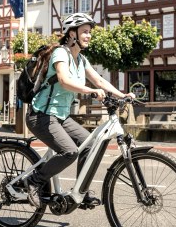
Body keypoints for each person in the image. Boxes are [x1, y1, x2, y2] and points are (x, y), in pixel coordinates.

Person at [24, 13, 135, 208]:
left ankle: (79, 192)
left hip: (60, 117)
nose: (89, 35)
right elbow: (64, 80)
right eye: (84, 31)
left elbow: (99, 80)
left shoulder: (81, 59)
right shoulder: (60, 53)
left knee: (90, 144)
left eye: (90, 32)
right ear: (71, 34)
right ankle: (33, 181)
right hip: (41, 115)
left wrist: (122, 95)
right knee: (70, 151)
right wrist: (91, 91)